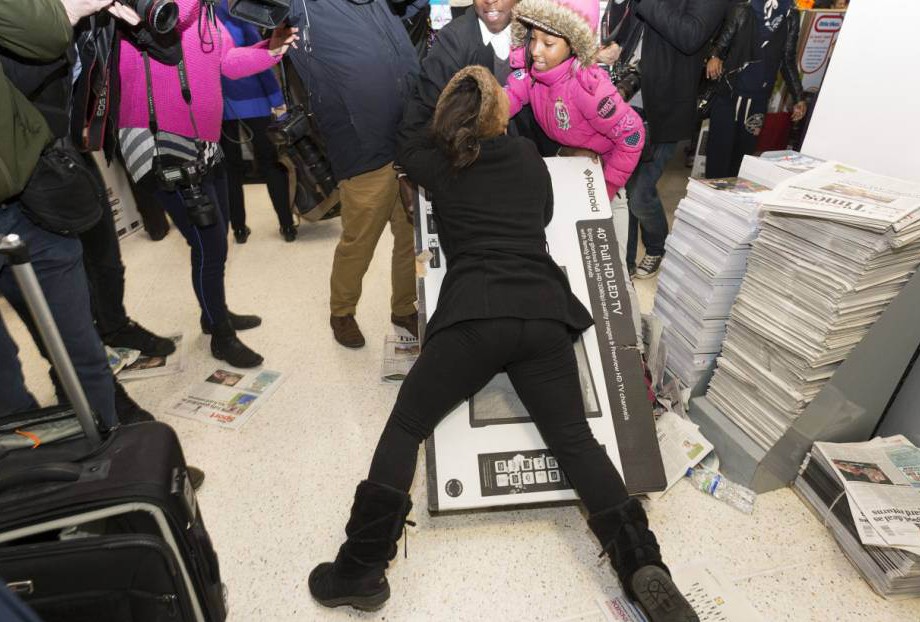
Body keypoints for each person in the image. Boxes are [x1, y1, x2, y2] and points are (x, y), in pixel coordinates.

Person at [308, 67, 698, 622]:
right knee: (576, 442)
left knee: (406, 426)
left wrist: (439, 121)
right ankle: (641, 565)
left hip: (474, 317)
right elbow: (541, 216)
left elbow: (406, 144)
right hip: (542, 317)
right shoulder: (525, 160)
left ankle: (360, 570)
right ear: (501, 117)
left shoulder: (440, 165)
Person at [117, 0, 297, 368]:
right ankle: (221, 334)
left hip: (205, 142)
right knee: (208, 243)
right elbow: (168, 19)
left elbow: (226, 63)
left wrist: (271, 49)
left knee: (217, 238)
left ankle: (214, 314)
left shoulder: (205, 13)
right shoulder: (144, 10)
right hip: (162, 144)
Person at [286, 0, 420, 349]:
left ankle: (405, 307)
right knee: (360, 239)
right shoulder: (303, 6)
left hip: (407, 139)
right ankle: (342, 312)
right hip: (362, 147)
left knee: (410, 236)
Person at [622, 0, 727, 279]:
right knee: (623, 188)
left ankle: (657, 245)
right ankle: (626, 261)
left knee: (640, 193)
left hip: (665, 108)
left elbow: (690, 36)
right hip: (626, 98)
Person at [504, 0, 646, 199]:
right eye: (533, 38)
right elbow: (507, 98)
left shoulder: (588, 90)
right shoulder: (533, 74)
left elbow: (633, 135)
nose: (535, 50)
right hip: (568, 165)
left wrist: (606, 187)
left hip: (601, 172)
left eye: (548, 43)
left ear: (574, 45)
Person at [215, 0, 296, 243]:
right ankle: (287, 225)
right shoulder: (235, 10)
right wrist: (277, 100)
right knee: (271, 163)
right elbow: (262, 58)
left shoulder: (203, 18)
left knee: (231, 170)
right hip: (256, 102)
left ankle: (239, 229)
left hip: (222, 106)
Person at [704, 0, 807, 179]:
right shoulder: (743, 8)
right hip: (729, 93)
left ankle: (731, 200)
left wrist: (798, 97)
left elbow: (787, 58)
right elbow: (722, 43)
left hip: (758, 98)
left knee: (742, 158)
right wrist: (714, 56)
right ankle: (711, 199)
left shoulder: (790, 15)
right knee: (718, 155)